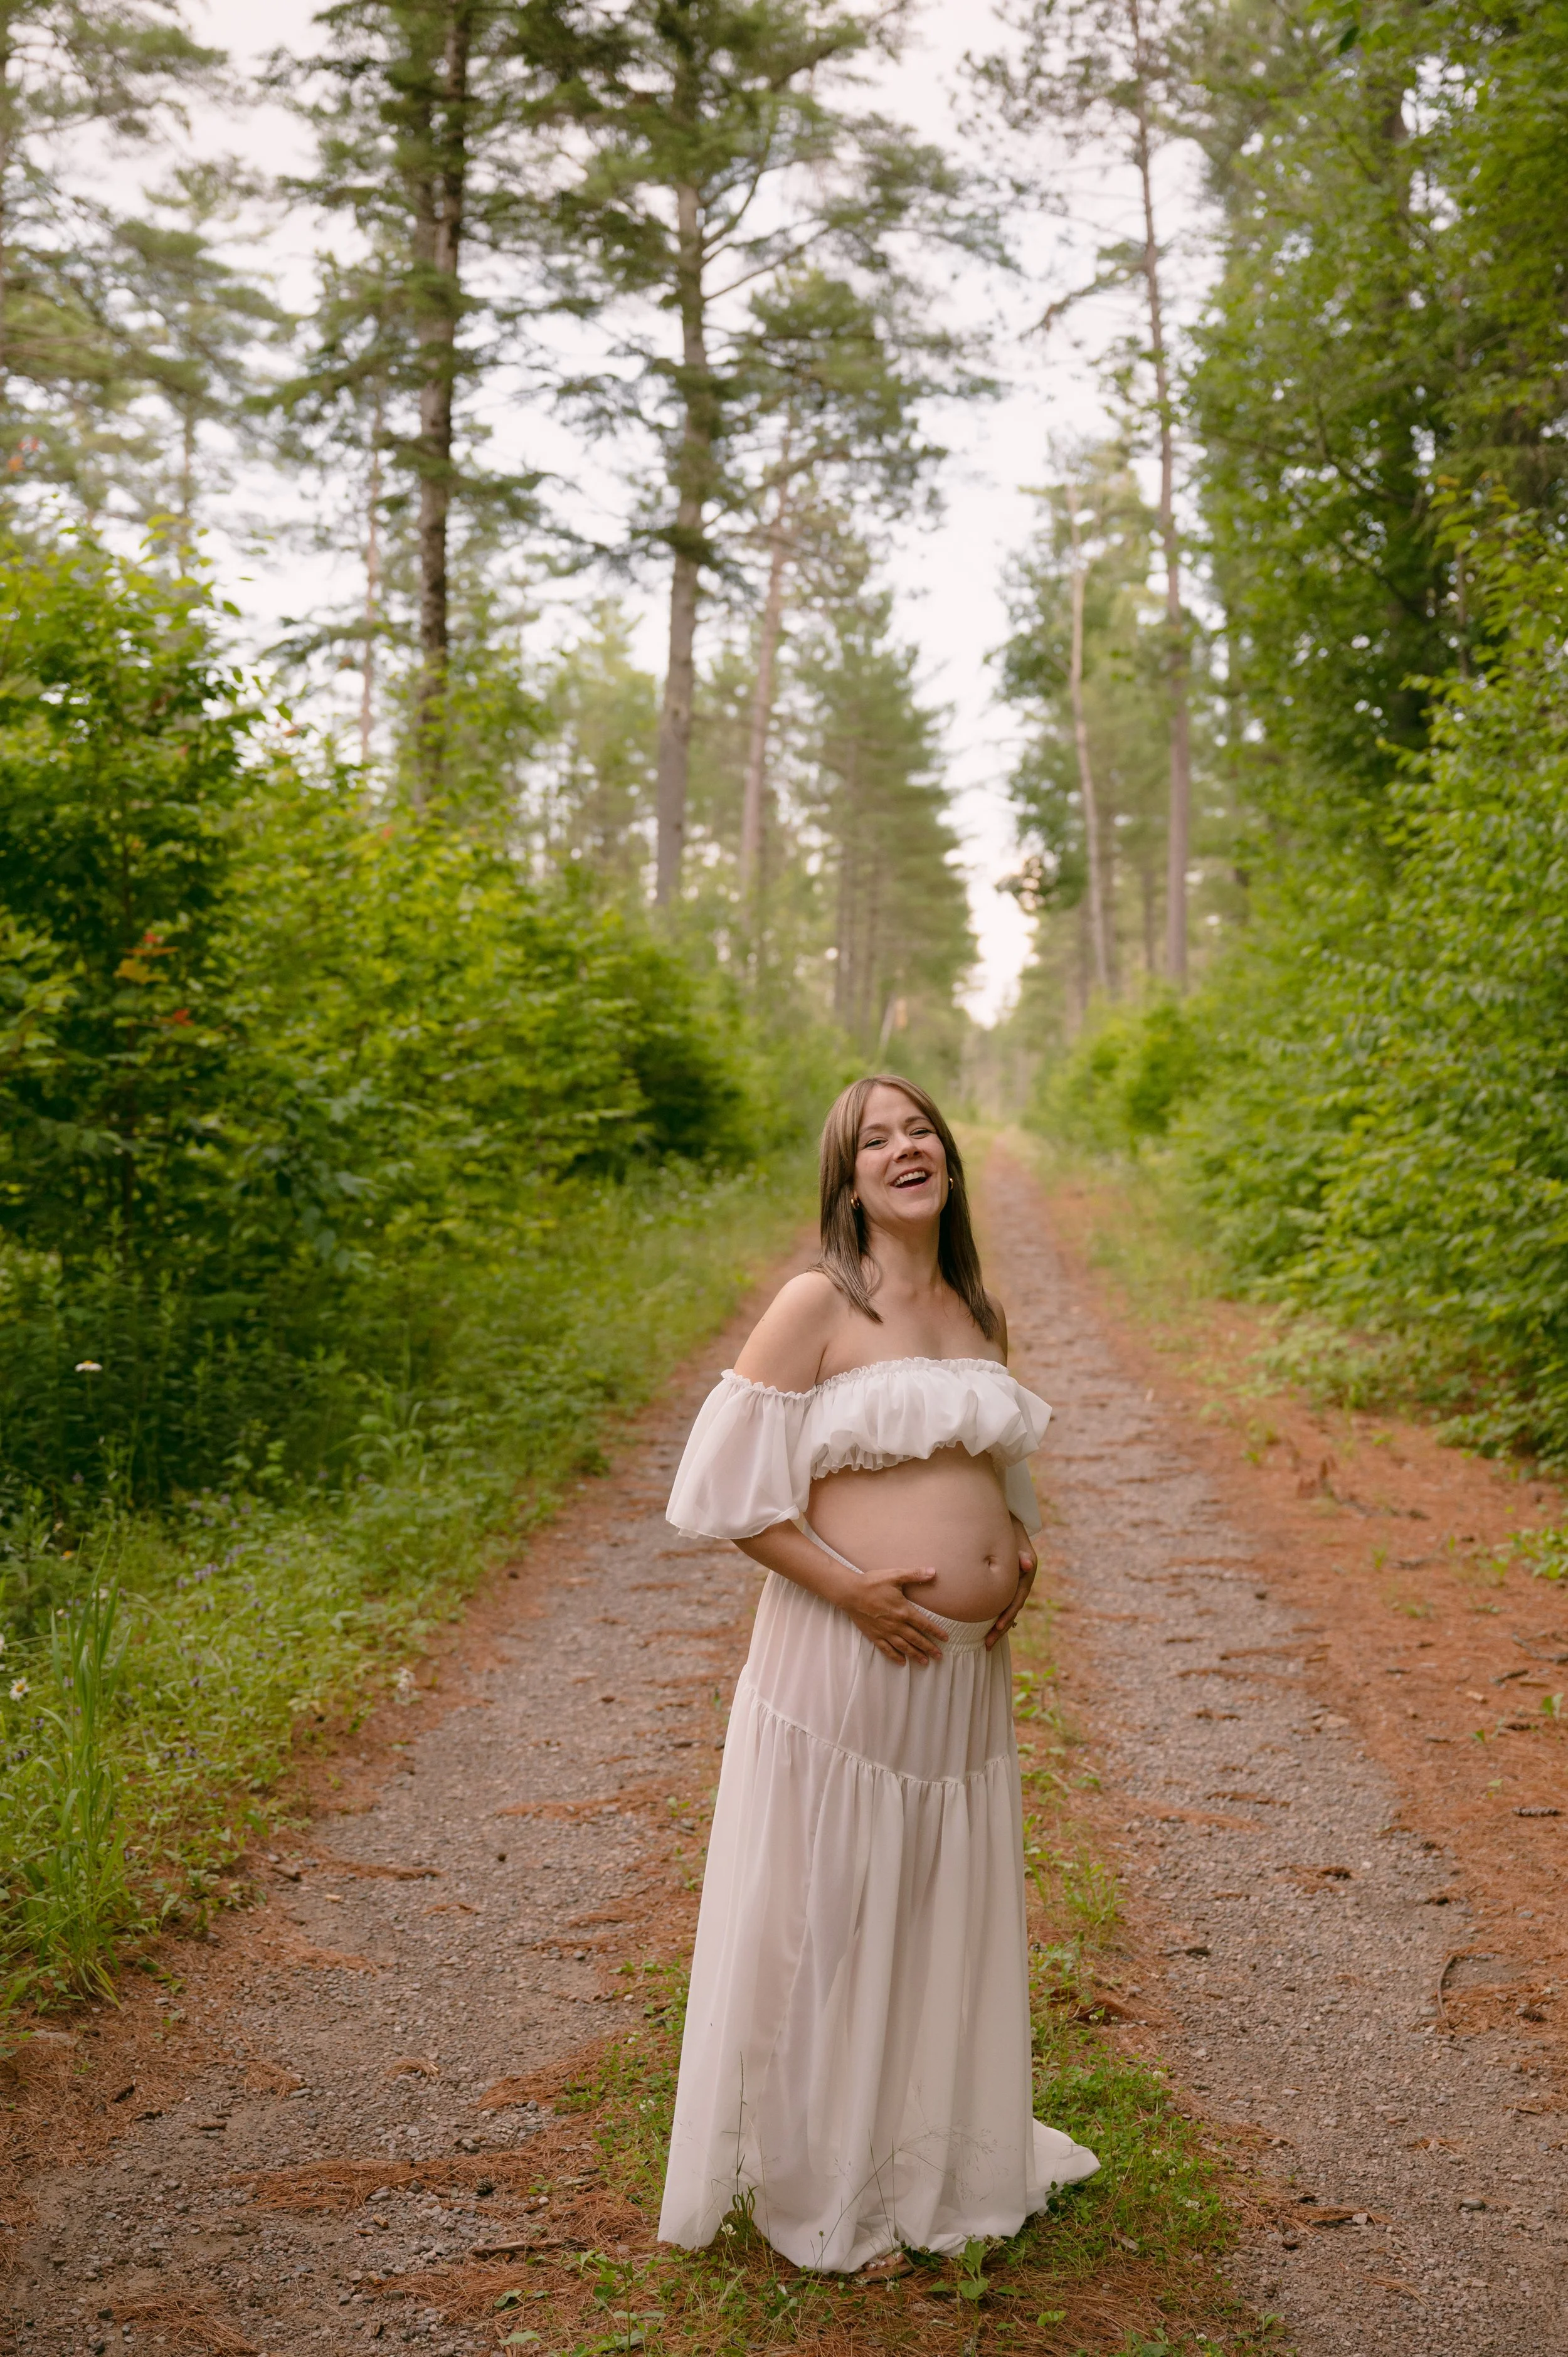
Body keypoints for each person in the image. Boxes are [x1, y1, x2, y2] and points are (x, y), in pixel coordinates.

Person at [657, 1073, 1099, 2276]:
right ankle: (820, 2177)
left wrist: (1019, 1558)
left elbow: (994, 1467)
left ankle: (922, 2149)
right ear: (846, 1178)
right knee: (834, 1903)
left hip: (959, 1670)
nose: (906, 1149)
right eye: (875, 1140)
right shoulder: (818, 1303)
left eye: (920, 1130)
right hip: (850, 1645)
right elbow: (728, 1497)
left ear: (947, 1156)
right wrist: (849, 1586)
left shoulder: (976, 1306)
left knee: (928, 1897)